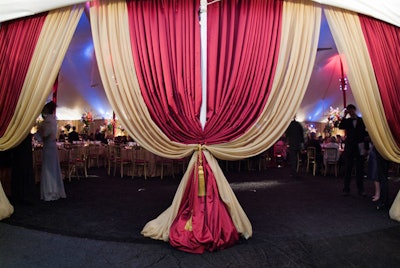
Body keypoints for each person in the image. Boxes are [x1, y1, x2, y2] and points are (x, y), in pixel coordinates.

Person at [38, 101, 66, 201]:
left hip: (48, 147)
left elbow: (45, 135)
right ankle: (55, 190)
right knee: (53, 168)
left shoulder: (48, 121)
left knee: (48, 169)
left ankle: (50, 192)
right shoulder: (54, 121)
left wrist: (39, 132)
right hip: (52, 146)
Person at [338, 104, 369, 196]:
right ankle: (346, 189)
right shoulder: (347, 121)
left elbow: (365, 135)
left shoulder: (361, 120)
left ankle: (361, 189)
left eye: (351, 111)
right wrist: (344, 116)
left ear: (355, 110)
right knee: (348, 168)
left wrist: (366, 148)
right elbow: (340, 126)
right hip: (350, 147)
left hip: (359, 146)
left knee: (360, 169)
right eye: (349, 111)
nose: (351, 113)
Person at [367, 142, 389, 209]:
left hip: (379, 150)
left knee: (378, 175)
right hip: (384, 150)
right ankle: (381, 197)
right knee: (381, 175)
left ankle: (381, 198)